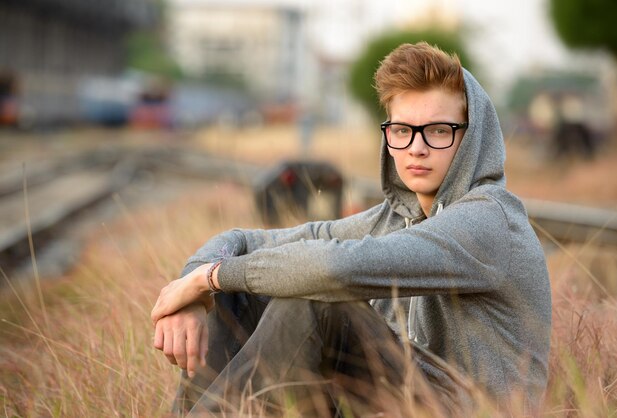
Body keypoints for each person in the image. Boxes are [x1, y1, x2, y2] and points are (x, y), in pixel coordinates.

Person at [151, 42, 551, 416]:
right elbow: (245, 241)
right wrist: (192, 290)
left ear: (470, 138)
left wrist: (210, 278)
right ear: (388, 136)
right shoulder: (390, 220)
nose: (417, 147)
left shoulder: (489, 219)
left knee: (315, 300)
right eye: (402, 130)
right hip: (402, 401)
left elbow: (332, 270)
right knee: (237, 297)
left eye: (439, 130)